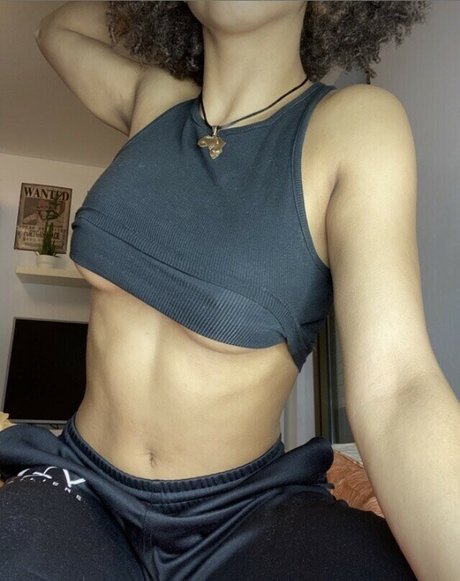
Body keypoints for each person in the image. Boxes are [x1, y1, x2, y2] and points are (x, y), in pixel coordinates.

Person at [1, 1, 459, 579]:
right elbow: (55, 30)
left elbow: (398, 390)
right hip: (81, 482)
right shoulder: (154, 100)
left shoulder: (354, 124)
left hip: (245, 510)